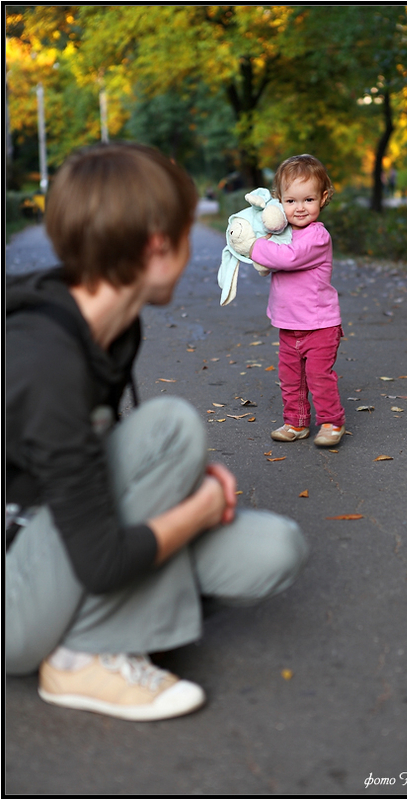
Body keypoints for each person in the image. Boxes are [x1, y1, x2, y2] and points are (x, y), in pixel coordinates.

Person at [5, 142, 308, 722]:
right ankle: (78, 661)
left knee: (274, 549)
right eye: (187, 233)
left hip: (65, 534)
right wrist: (200, 507)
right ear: (157, 246)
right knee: (172, 429)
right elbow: (100, 560)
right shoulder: (42, 358)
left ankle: (107, 629)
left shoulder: (115, 331)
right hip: (15, 593)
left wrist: (179, 481)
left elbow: (88, 464)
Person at [249, 154, 346, 447]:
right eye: (291, 201)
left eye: (308, 200)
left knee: (319, 376)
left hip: (319, 325)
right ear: (279, 201)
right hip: (289, 324)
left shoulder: (317, 236)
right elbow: (271, 260)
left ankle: (331, 421)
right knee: (291, 378)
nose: (300, 207)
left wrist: (254, 247)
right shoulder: (282, 233)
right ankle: (296, 421)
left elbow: (288, 259)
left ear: (323, 198)